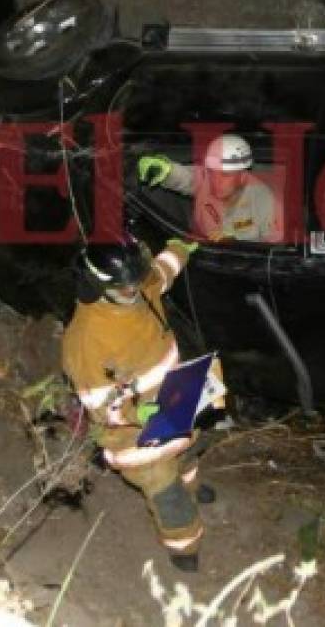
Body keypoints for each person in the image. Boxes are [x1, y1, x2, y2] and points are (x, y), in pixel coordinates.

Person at [62, 234, 224, 572]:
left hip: (173, 397)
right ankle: (184, 545)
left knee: (188, 448)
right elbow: (103, 405)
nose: (134, 291)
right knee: (167, 491)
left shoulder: (137, 286)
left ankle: (191, 485)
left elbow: (163, 270)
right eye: (125, 288)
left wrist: (185, 244)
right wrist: (146, 411)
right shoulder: (85, 341)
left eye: (136, 281)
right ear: (95, 286)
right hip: (132, 432)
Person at [137, 133, 282, 243]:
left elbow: (275, 248)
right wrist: (167, 171)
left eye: (225, 175)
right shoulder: (205, 178)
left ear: (243, 174)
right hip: (200, 246)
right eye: (212, 172)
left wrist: (235, 240)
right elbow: (186, 177)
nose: (215, 182)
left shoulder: (264, 200)